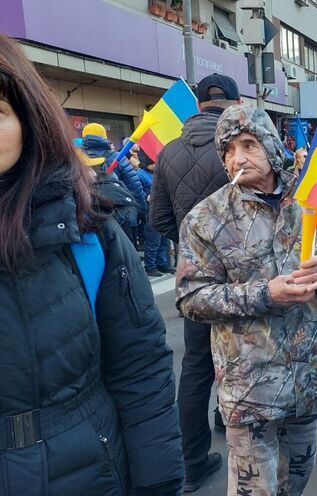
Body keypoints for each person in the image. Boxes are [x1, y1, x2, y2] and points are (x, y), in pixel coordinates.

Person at [0, 33, 183, 495]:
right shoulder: (121, 166)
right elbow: (145, 197)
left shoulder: (85, 230)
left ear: (28, 119)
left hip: (87, 472)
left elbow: (139, 367)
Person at [177, 104, 317, 496]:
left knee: (297, 478)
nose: (237, 158)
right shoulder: (206, 218)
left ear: (271, 147)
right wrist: (264, 293)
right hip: (249, 386)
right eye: (227, 150)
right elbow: (190, 298)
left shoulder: (309, 196)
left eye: (248, 144)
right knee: (255, 492)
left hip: (309, 372)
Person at [149, 73, 239, 492]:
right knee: (240, 359)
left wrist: (192, 249)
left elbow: (159, 220)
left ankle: (192, 460)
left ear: (198, 106)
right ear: (234, 104)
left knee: (197, 367)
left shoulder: (167, 153)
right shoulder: (240, 150)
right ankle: (236, 433)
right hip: (242, 275)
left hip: (194, 278)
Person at [81, 122, 148, 244]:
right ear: (104, 137)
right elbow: (134, 187)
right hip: (118, 214)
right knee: (124, 252)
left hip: (88, 216)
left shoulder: (78, 158)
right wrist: (143, 208)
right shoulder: (118, 157)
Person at [136, 151, 171, 276]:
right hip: (151, 210)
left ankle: (162, 264)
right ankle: (150, 266)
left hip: (162, 209)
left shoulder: (157, 173)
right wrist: (146, 197)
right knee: (153, 240)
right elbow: (136, 192)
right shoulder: (139, 175)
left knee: (163, 240)